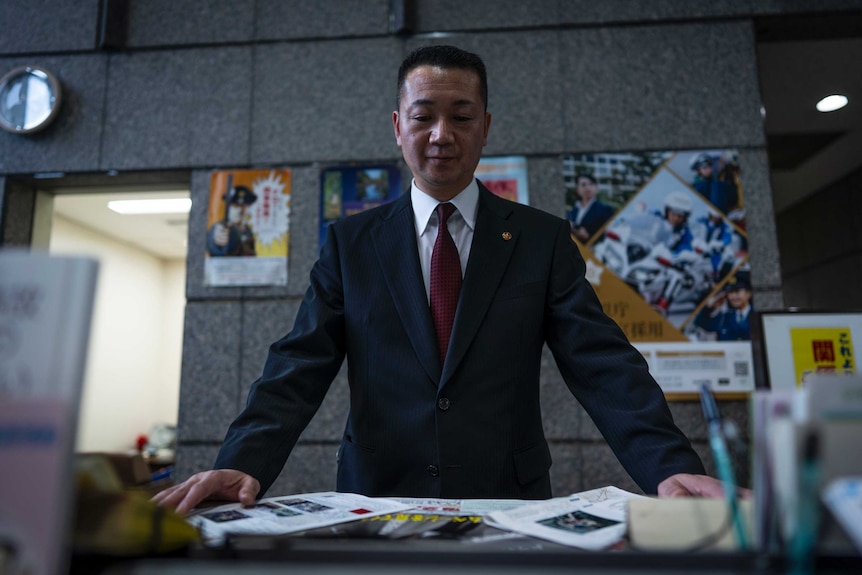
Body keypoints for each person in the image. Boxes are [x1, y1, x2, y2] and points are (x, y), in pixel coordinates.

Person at [154, 45, 737, 515]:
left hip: (506, 501)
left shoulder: (539, 239)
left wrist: (669, 467)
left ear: (485, 127)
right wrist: (244, 461)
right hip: (376, 499)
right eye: (423, 116)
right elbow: (297, 367)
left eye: (461, 117)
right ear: (397, 126)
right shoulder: (351, 243)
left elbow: (602, 361)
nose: (441, 134)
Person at [694, 276, 753, 341]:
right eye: (730, 292)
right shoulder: (724, 318)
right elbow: (700, 322)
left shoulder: (757, 313)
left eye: (737, 292)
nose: (733, 297)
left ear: (748, 293)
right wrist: (710, 307)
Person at [206, 185, 258, 257]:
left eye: (243, 206)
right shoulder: (221, 227)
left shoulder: (247, 230)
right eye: (235, 206)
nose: (239, 211)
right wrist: (218, 242)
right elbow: (215, 244)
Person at [568, 174, 614, 242]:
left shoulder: (605, 210)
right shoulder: (573, 211)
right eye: (583, 185)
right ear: (577, 190)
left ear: (597, 188)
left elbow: (609, 235)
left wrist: (588, 236)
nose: (588, 188)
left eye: (591, 184)